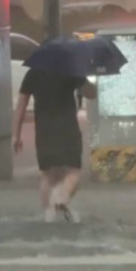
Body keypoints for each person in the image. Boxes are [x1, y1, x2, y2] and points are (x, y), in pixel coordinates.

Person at [14, 68, 96, 223]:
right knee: (73, 171)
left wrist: (16, 135)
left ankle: (49, 216)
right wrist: (88, 80)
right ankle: (62, 197)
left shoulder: (33, 73)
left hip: (44, 131)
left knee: (48, 174)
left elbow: (21, 105)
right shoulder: (71, 70)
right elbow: (91, 94)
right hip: (67, 129)